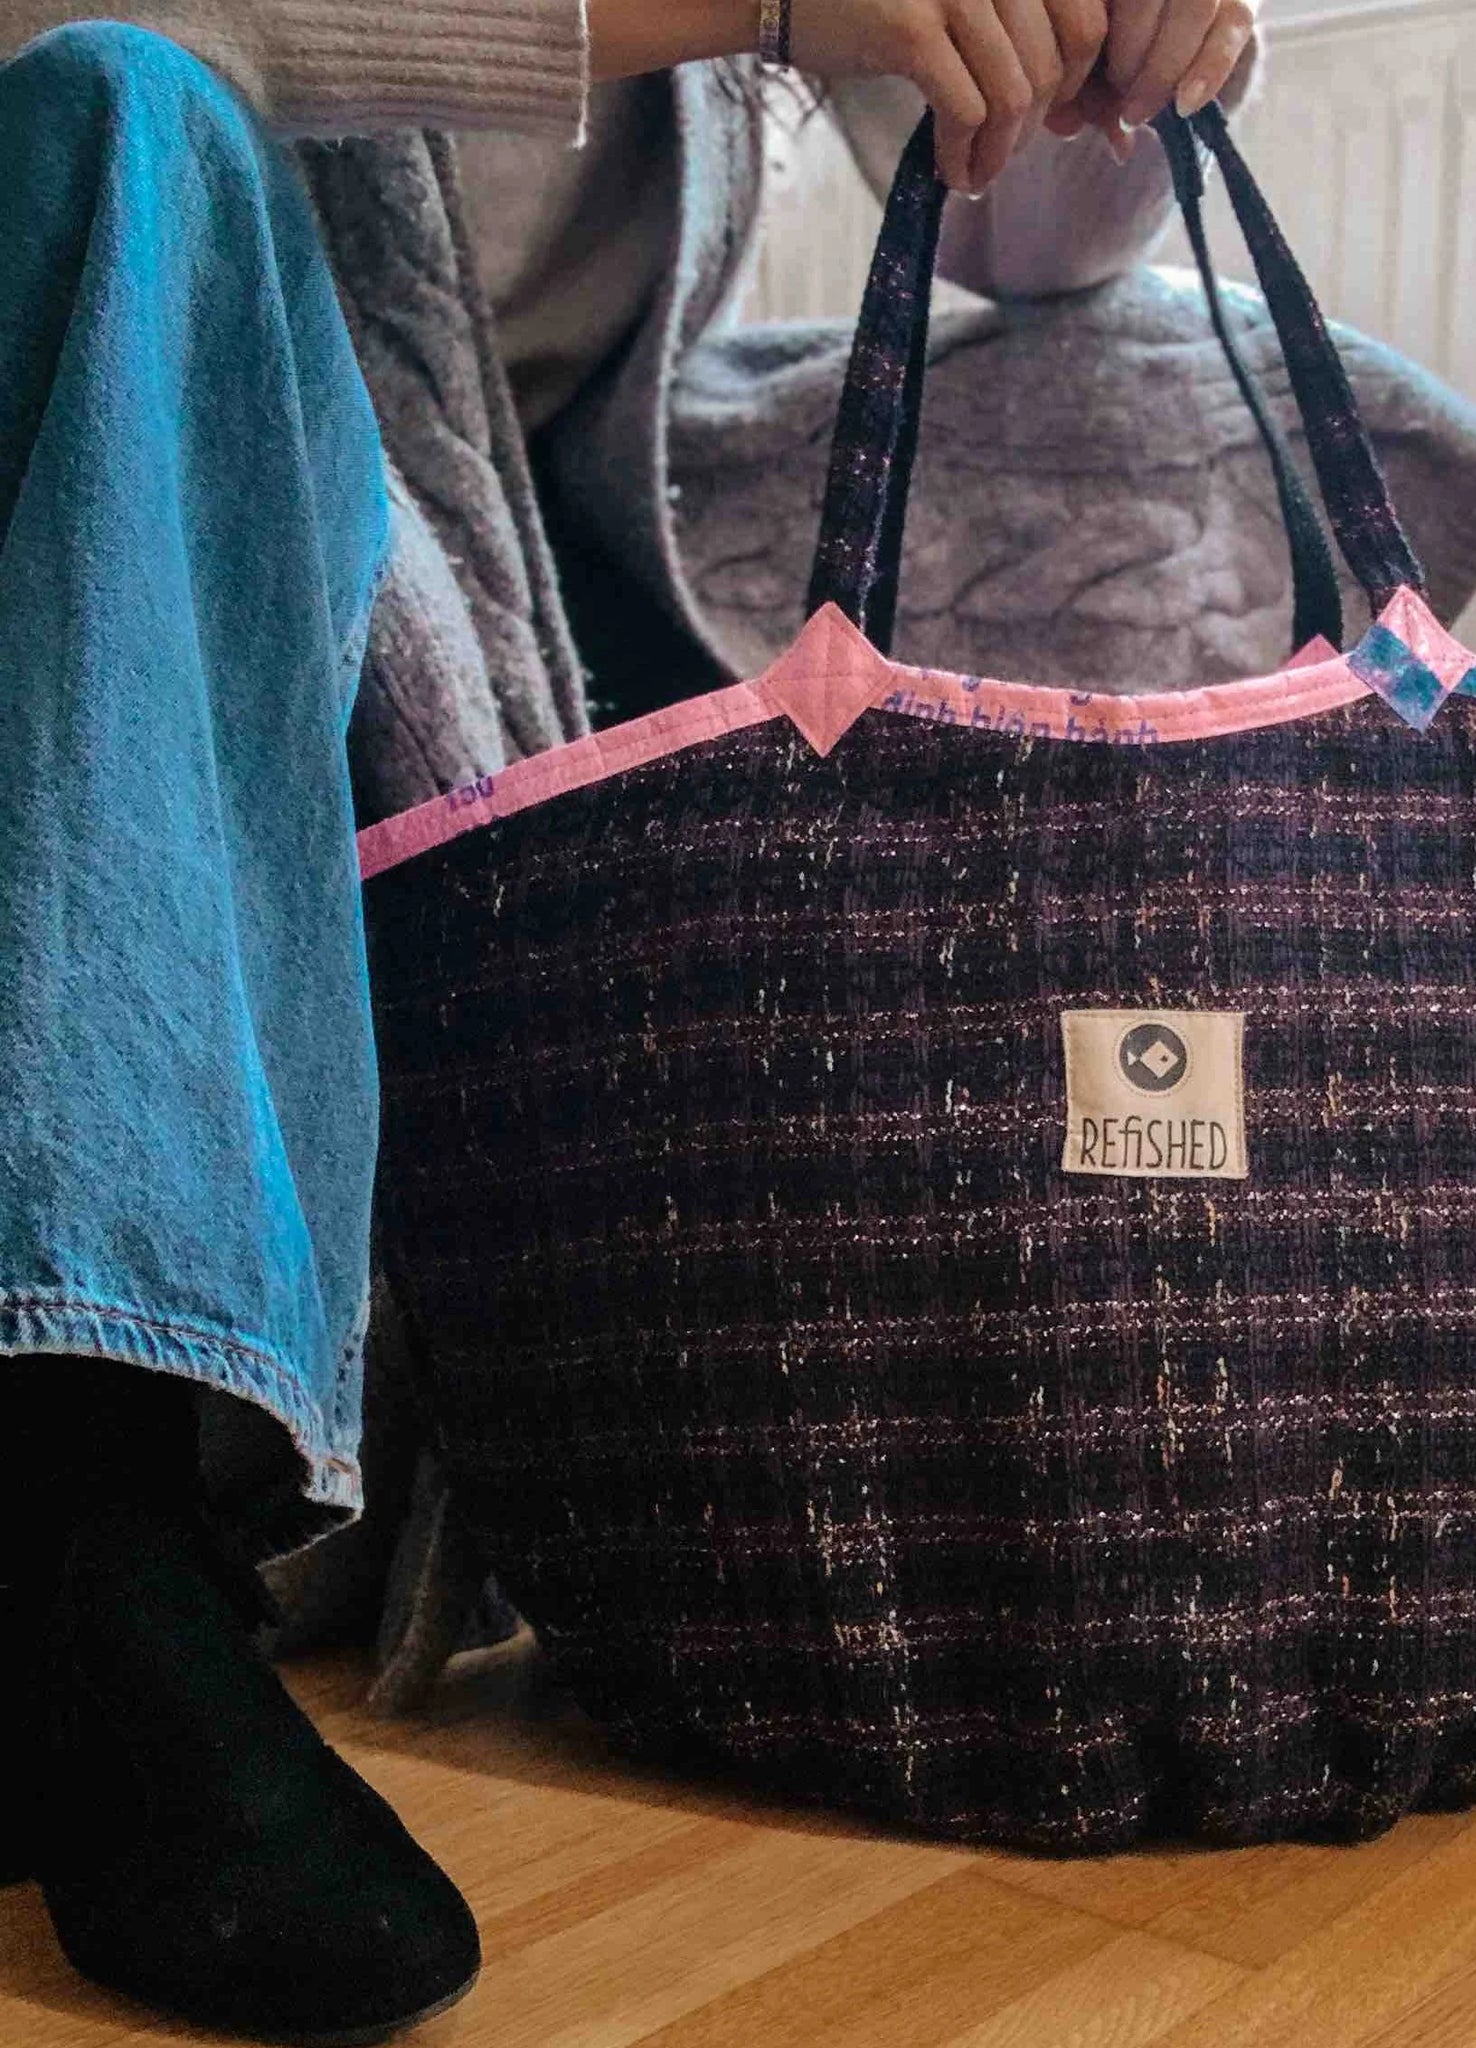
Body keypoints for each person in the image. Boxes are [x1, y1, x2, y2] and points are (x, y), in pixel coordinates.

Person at [0, 0, 1255, 2040]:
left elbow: (1025, 239)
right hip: (207, 377)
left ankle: (1103, 1416)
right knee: (121, 105)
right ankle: (76, 1520)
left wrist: (1132, 50)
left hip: (576, 494)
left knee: (1191, 392)